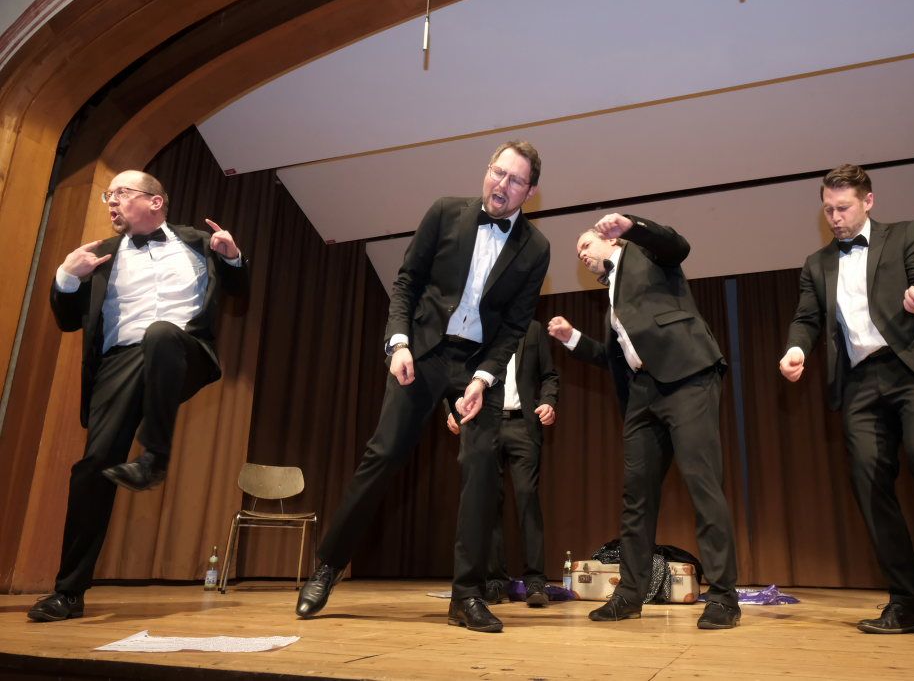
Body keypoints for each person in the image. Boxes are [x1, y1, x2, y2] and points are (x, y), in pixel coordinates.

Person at [295, 141, 550, 633]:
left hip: (478, 367)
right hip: (426, 351)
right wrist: (399, 343)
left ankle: (467, 595)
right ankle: (328, 566)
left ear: (531, 191)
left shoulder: (536, 248)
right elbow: (407, 283)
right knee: (383, 454)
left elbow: (517, 325)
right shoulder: (445, 212)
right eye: (498, 172)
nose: (502, 184)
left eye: (515, 180)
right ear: (488, 171)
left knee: (482, 470)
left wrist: (484, 377)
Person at [779, 164, 914, 646]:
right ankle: (909, 604)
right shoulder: (816, 263)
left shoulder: (907, 234)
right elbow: (806, 318)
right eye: (827, 209)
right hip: (860, 381)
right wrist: (795, 349)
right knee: (870, 484)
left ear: (868, 201)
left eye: (843, 208)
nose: (835, 217)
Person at [28, 170, 248, 622]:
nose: (111, 201)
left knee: (162, 332)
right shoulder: (100, 257)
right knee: (94, 466)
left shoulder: (198, 243)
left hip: (183, 350)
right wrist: (66, 278)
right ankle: (68, 593)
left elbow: (239, 292)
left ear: (155, 201)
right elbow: (68, 321)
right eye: (107, 195)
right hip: (119, 362)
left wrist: (232, 257)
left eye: (121, 193)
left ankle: (154, 456)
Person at [548, 213, 741, 630]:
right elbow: (614, 358)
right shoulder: (613, 297)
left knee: (702, 485)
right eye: (577, 254)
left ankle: (724, 597)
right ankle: (630, 595)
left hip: (687, 376)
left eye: (585, 245)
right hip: (643, 392)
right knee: (636, 497)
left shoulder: (645, 255)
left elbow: (677, 245)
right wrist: (573, 339)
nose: (581, 255)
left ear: (611, 241)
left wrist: (631, 225)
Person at [444, 319, 558, 607]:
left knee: (527, 497)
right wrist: (451, 410)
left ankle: (535, 581)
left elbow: (549, 375)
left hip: (523, 425)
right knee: (488, 501)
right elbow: (454, 374)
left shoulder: (531, 329)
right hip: (483, 425)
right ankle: (495, 581)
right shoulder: (476, 328)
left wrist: (548, 401)